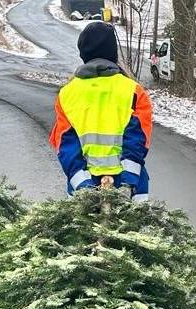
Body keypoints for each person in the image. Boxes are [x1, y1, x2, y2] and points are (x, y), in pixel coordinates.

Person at [50, 22, 152, 202]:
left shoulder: (67, 94)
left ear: (83, 54)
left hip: (83, 191)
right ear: (113, 53)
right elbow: (138, 140)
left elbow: (66, 145)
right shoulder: (133, 91)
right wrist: (127, 185)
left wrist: (83, 185)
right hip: (130, 188)